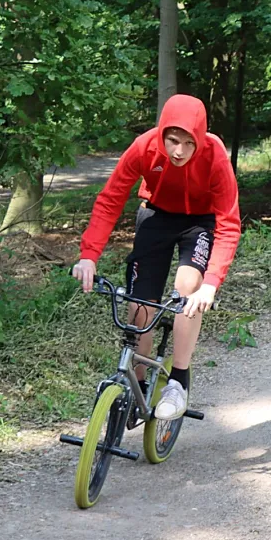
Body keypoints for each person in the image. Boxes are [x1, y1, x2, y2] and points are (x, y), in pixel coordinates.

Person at [72, 94, 240, 420]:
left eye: (188, 143)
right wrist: (89, 255)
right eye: (173, 140)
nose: (179, 151)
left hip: (199, 223)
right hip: (156, 217)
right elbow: (111, 199)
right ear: (162, 132)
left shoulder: (215, 155)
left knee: (187, 289)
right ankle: (136, 385)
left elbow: (229, 224)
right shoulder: (144, 147)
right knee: (140, 306)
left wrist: (211, 284)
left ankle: (178, 381)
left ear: (201, 139)